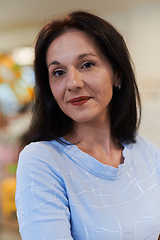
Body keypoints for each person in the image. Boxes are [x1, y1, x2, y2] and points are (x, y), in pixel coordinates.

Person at [15, 10, 160, 240]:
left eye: (87, 64)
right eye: (58, 72)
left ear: (117, 74)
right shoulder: (42, 161)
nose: (72, 83)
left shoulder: (147, 151)